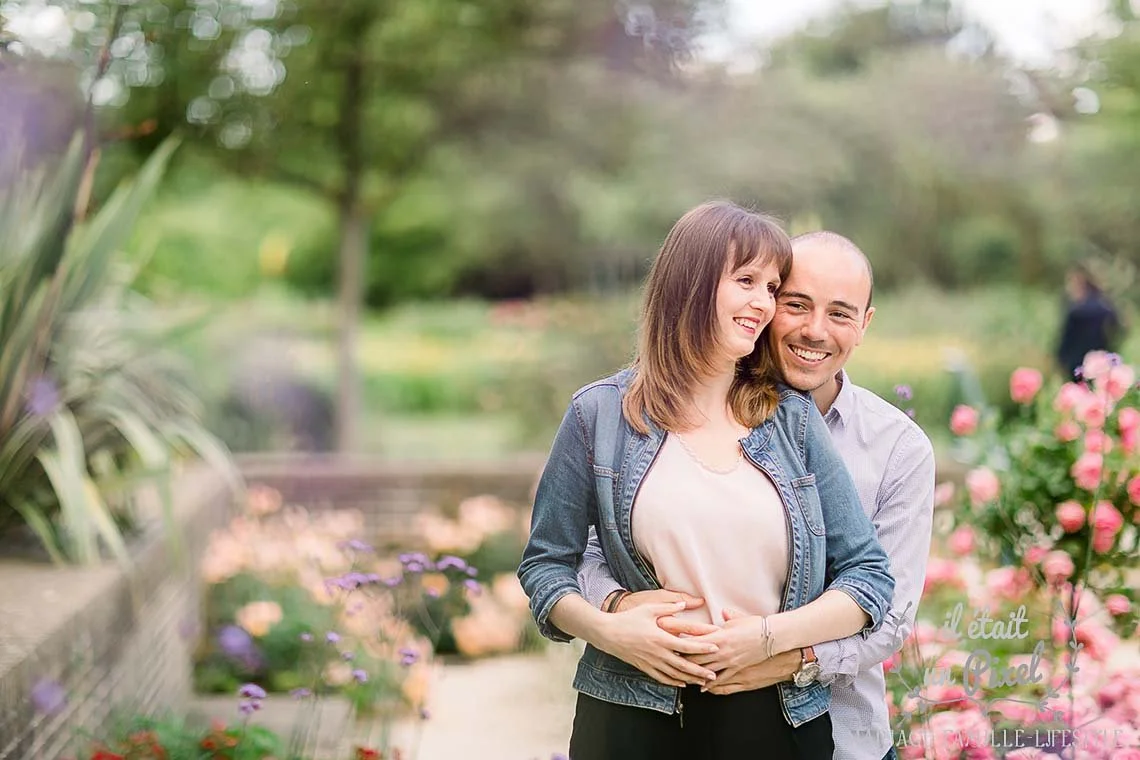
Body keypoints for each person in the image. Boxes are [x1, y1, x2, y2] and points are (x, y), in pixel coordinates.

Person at [517, 202, 895, 760]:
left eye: (771, 287)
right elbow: (546, 564)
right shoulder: (598, 415)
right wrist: (610, 630)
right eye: (746, 281)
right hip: (628, 710)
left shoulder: (792, 419)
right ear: (689, 284)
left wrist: (768, 637)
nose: (763, 304)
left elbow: (869, 580)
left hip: (773, 715)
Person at [1056, 263, 1122, 378]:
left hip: (1077, 366)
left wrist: (1060, 359)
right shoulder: (1106, 306)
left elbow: (1065, 342)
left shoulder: (1076, 311)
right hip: (1102, 365)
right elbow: (1117, 330)